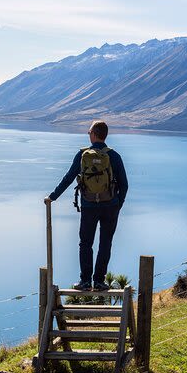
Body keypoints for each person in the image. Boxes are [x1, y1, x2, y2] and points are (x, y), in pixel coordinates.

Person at [44, 120, 128, 291]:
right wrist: (118, 204)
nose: (88, 134)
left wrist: (53, 197)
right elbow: (124, 184)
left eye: (89, 132)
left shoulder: (83, 154)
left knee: (85, 243)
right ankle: (99, 281)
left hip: (89, 206)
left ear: (94, 134)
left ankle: (84, 282)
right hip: (110, 206)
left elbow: (69, 178)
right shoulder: (114, 156)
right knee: (105, 243)